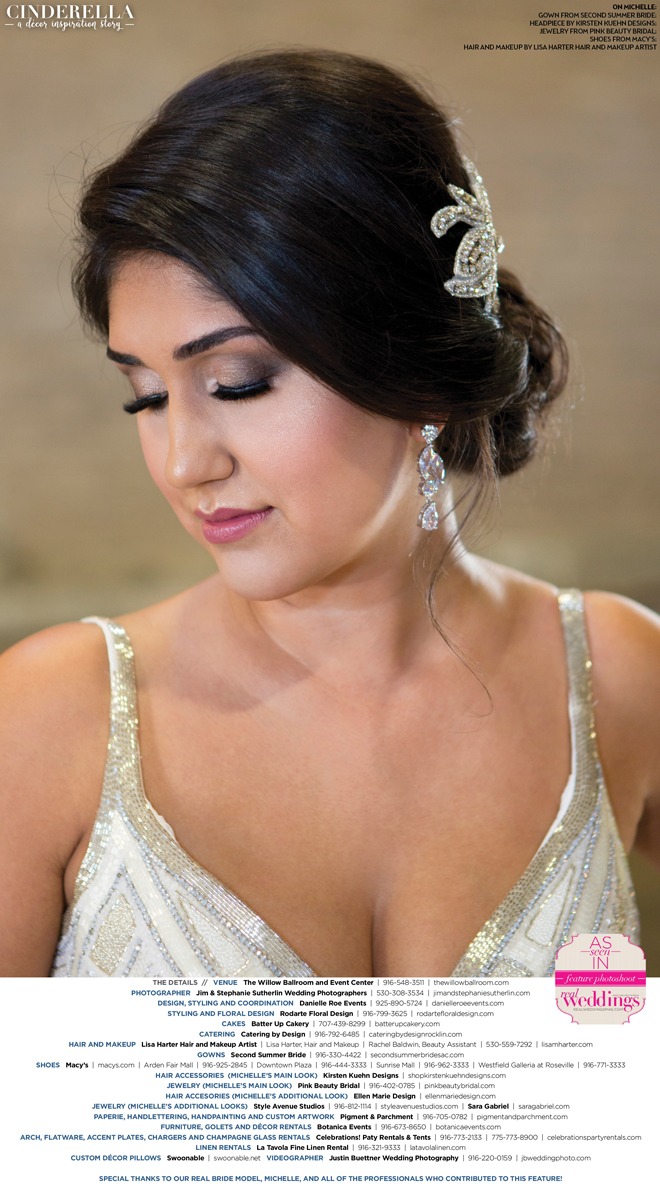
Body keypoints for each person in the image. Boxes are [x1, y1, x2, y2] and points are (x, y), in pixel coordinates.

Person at [1, 50, 658, 980]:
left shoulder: (618, 679)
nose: (185, 462)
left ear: (417, 373)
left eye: (239, 382)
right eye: (145, 396)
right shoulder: (51, 719)